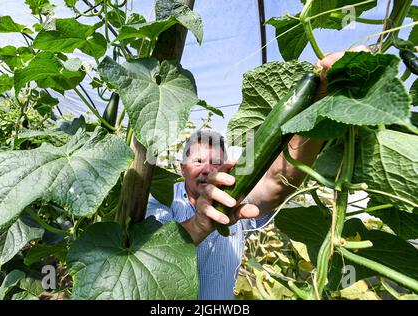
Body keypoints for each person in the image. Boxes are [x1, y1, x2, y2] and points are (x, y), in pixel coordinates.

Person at [146, 46, 370, 300]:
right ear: (182, 166)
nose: (207, 168)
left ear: (226, 166)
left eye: (215, 161)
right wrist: (199, 224)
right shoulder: (158, 196)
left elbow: (277, 183)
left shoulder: (232, 199)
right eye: (198, 160)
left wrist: (321, 96)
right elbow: (152, 258)